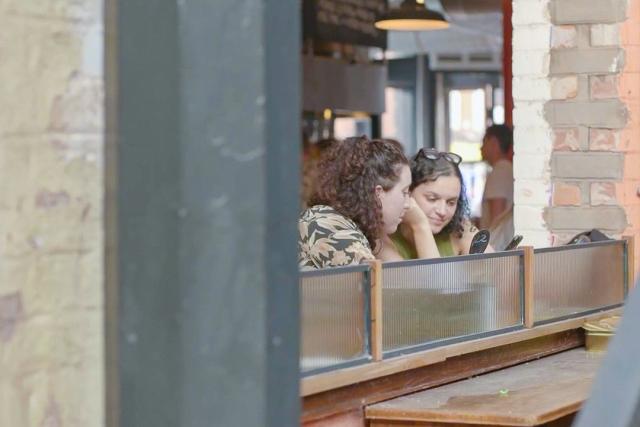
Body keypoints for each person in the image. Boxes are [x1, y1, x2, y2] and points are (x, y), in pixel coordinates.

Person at [298, 137, 412, 269]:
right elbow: (377, 284)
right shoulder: (328, 226)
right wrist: (421, 227)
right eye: (404, 192)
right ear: (378, 194)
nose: (408, 204)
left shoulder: (348, 224)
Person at [382, 148, 492, 260]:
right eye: (432, 199)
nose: (442, 211)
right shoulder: (383, 236)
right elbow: (432, 278)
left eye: (451, 202)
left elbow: (497, 271)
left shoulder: (461, 229)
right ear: (408, 192)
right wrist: (420, 225)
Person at [480, 124, 514, 230]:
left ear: (494, 142)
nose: (481, 148)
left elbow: (496, 221)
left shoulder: (499, 172)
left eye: (484, 142)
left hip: (496, 245)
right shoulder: (508, 169)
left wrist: (487, 245)